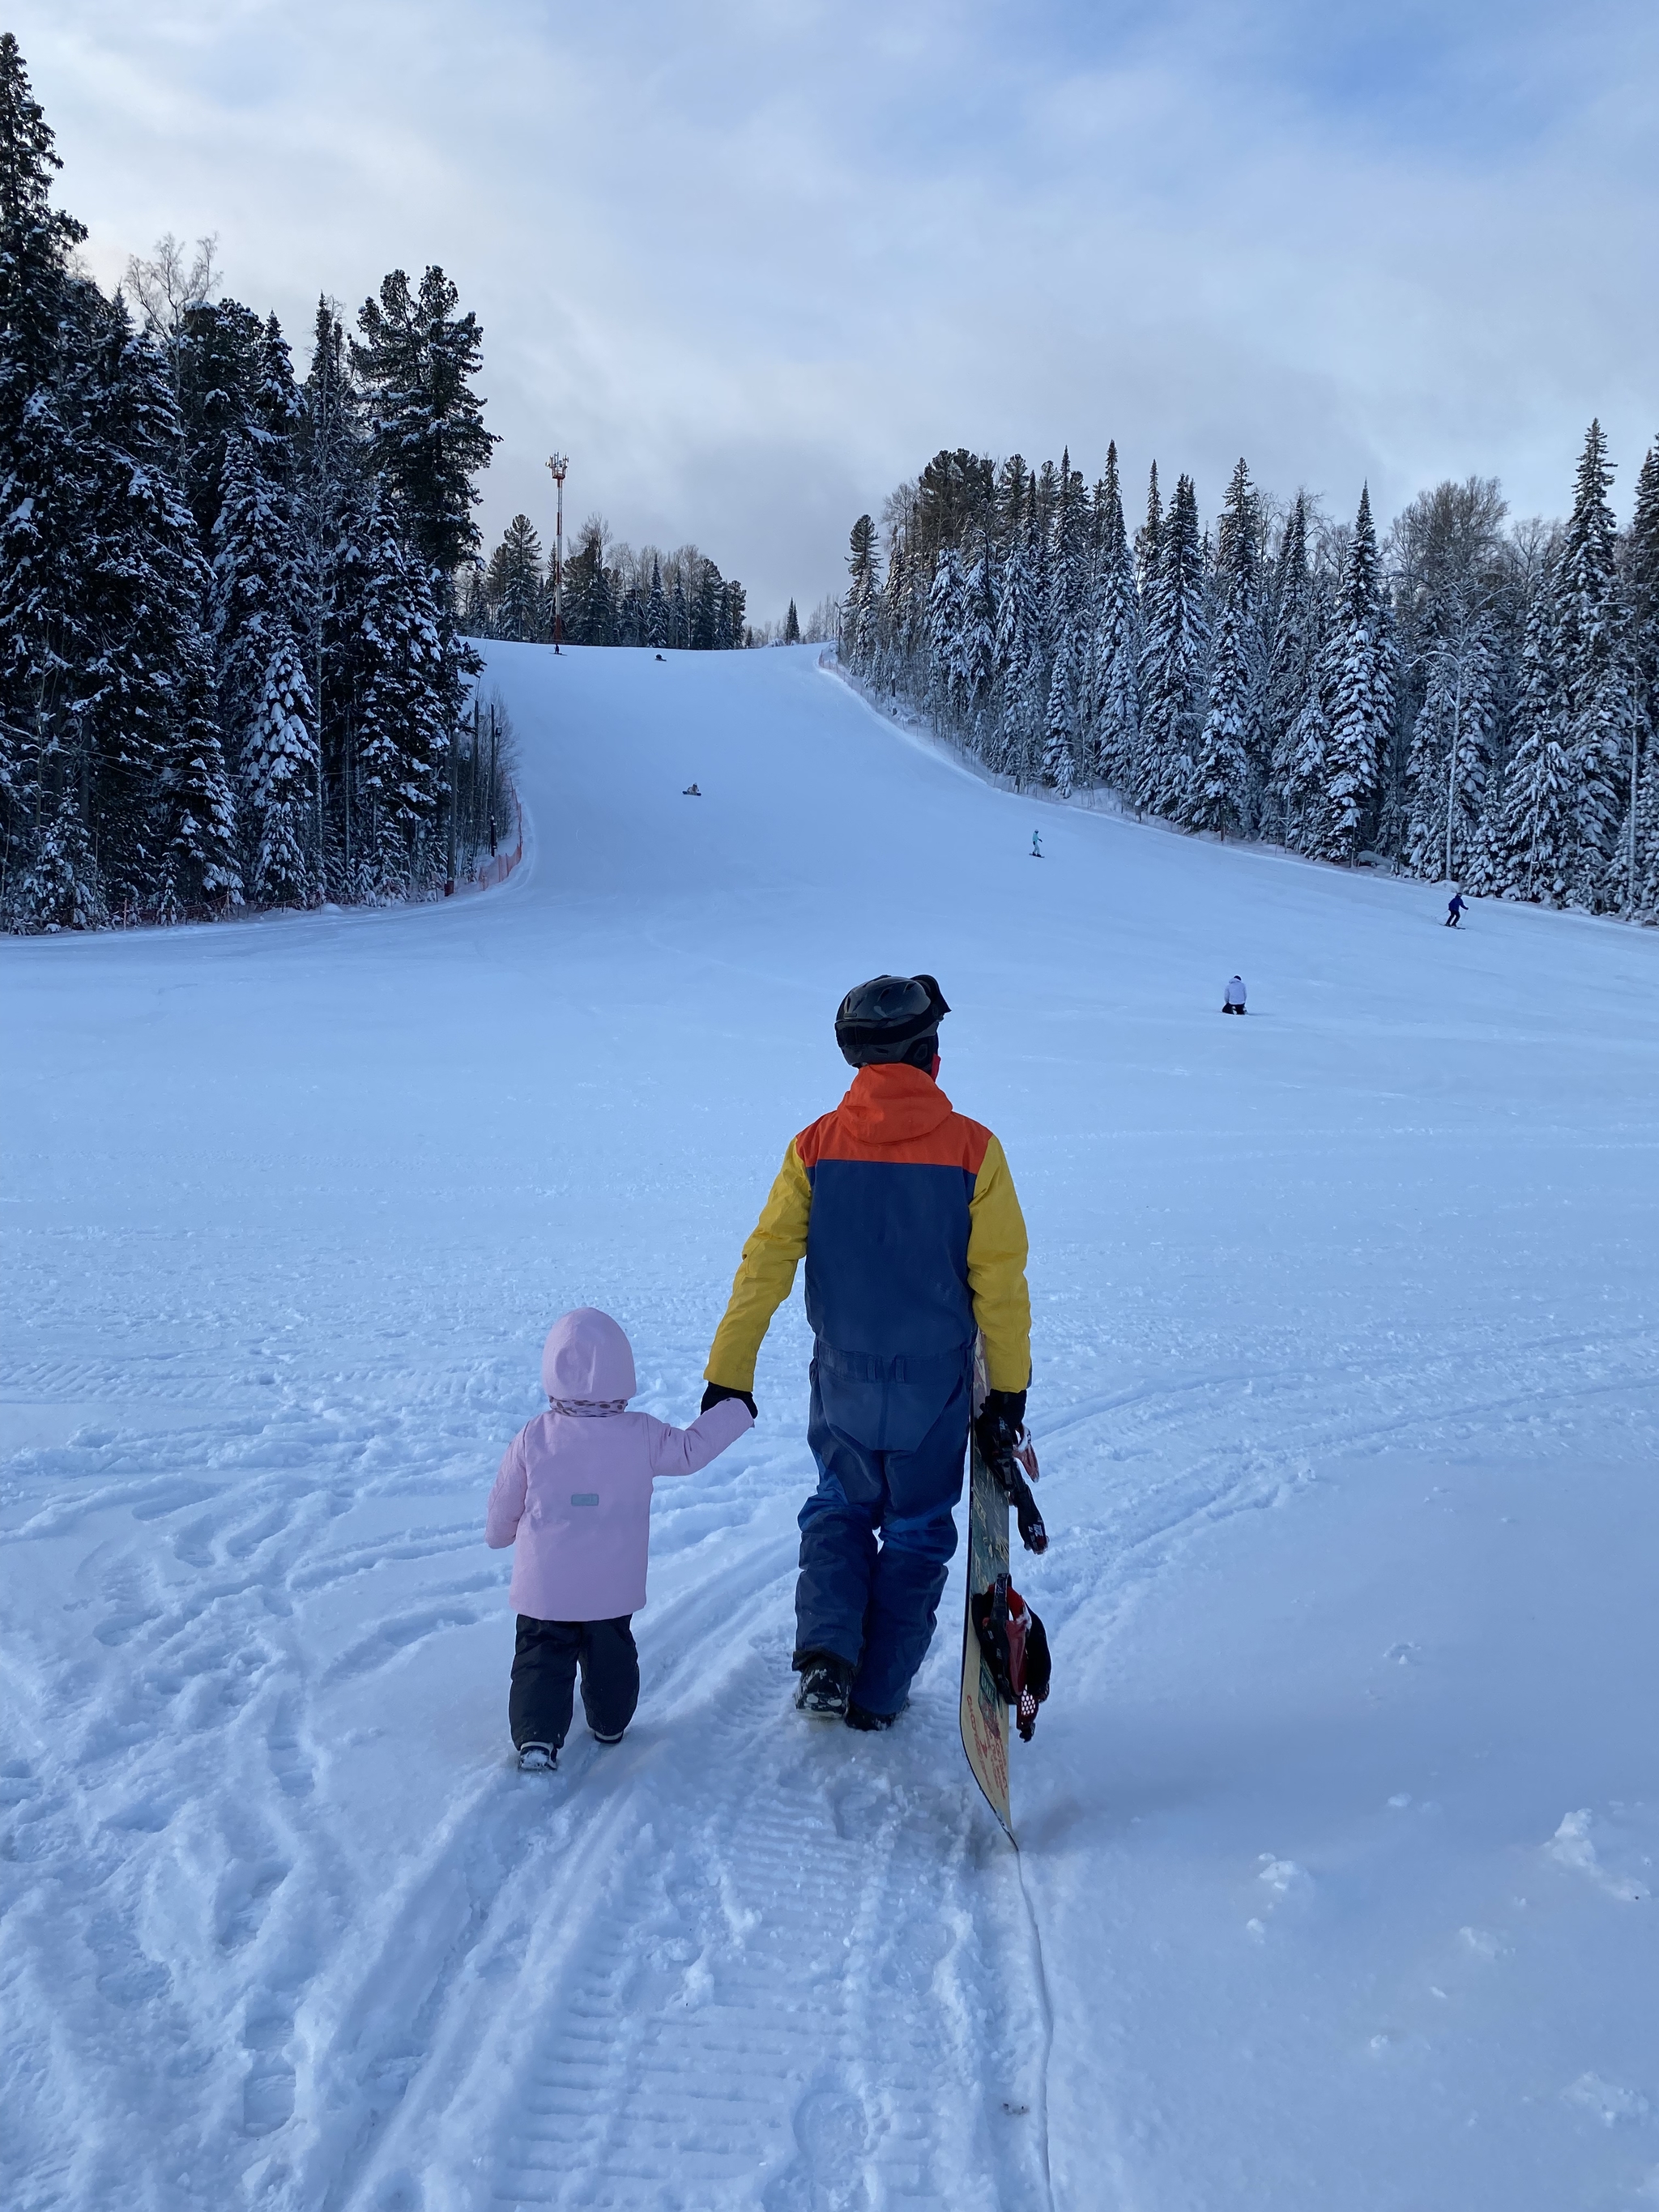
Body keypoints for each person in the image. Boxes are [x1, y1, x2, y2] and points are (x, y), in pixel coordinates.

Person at [702, 974, 1032, 1731]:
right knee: (917, 1528)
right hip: (935, 1392)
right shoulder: (975, 1151)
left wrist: (730, 1371)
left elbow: (766, 1263)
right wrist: (1007, 1392)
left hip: (843, 1381)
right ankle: (879, 1694)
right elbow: (1001, 1285)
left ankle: (826, 1653)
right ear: (931, 1058)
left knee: (839, 1508)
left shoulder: (814, 1147)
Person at [486, 1308, 753, 1770]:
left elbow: (504, 1499)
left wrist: (499, 1534)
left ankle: (536, 1738)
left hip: (545, 1588)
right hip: (612, 1587)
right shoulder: (642, 1434)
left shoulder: (535, 1437)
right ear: (621, 1369)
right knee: (610, 1652)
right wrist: (735, 1410)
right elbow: (691, 1450)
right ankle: (610, 1722)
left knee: (540, 1657)